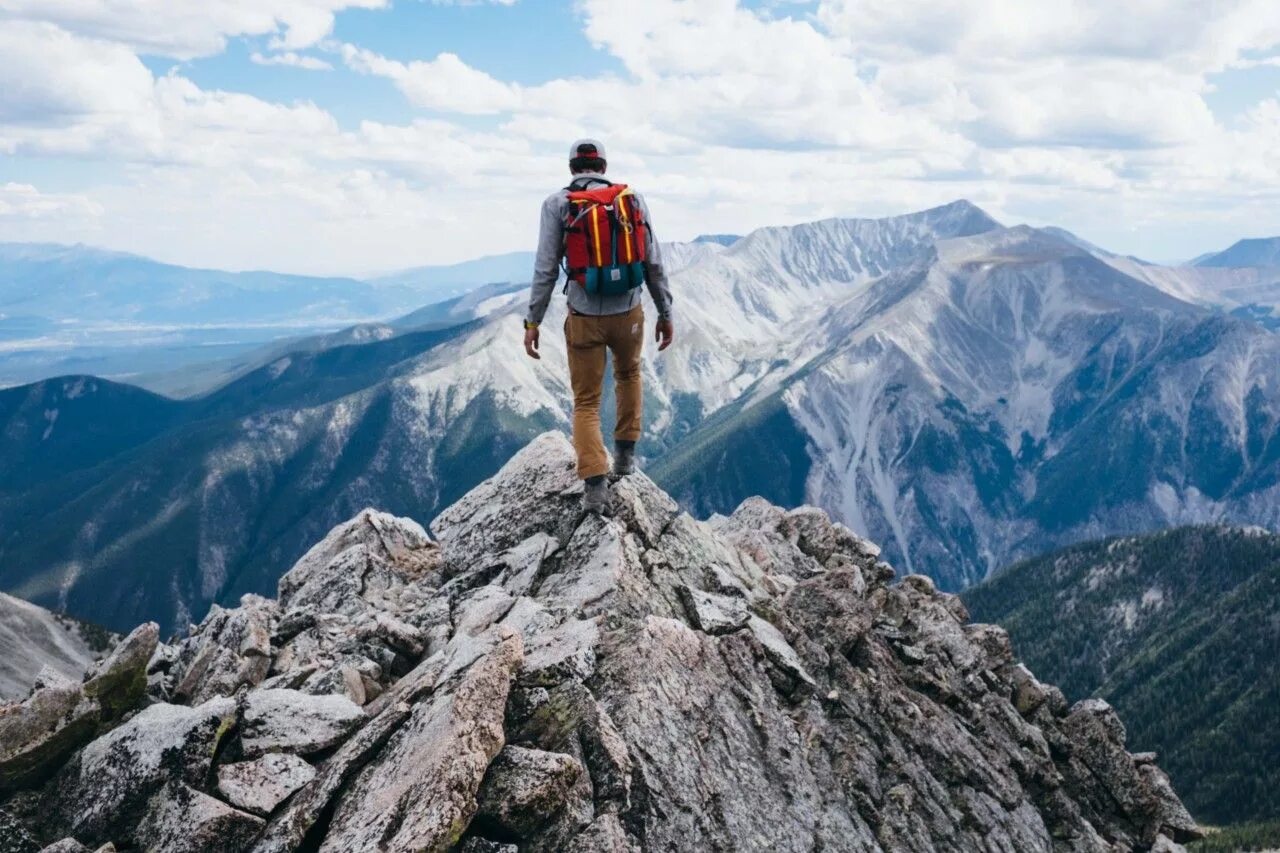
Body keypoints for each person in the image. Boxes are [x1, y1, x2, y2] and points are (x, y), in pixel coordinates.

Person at [522, 139, 674, 514]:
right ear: (603, 165)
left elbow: (544, 269)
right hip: (630, 313)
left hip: (585, 316)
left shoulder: (557, 204)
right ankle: (624, 459)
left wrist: (533, 321)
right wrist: (665, 312)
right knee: (629, 375)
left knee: (586, 402)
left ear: (572, 167)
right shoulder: (631, 201)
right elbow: (652, 262)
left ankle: (594, 489)